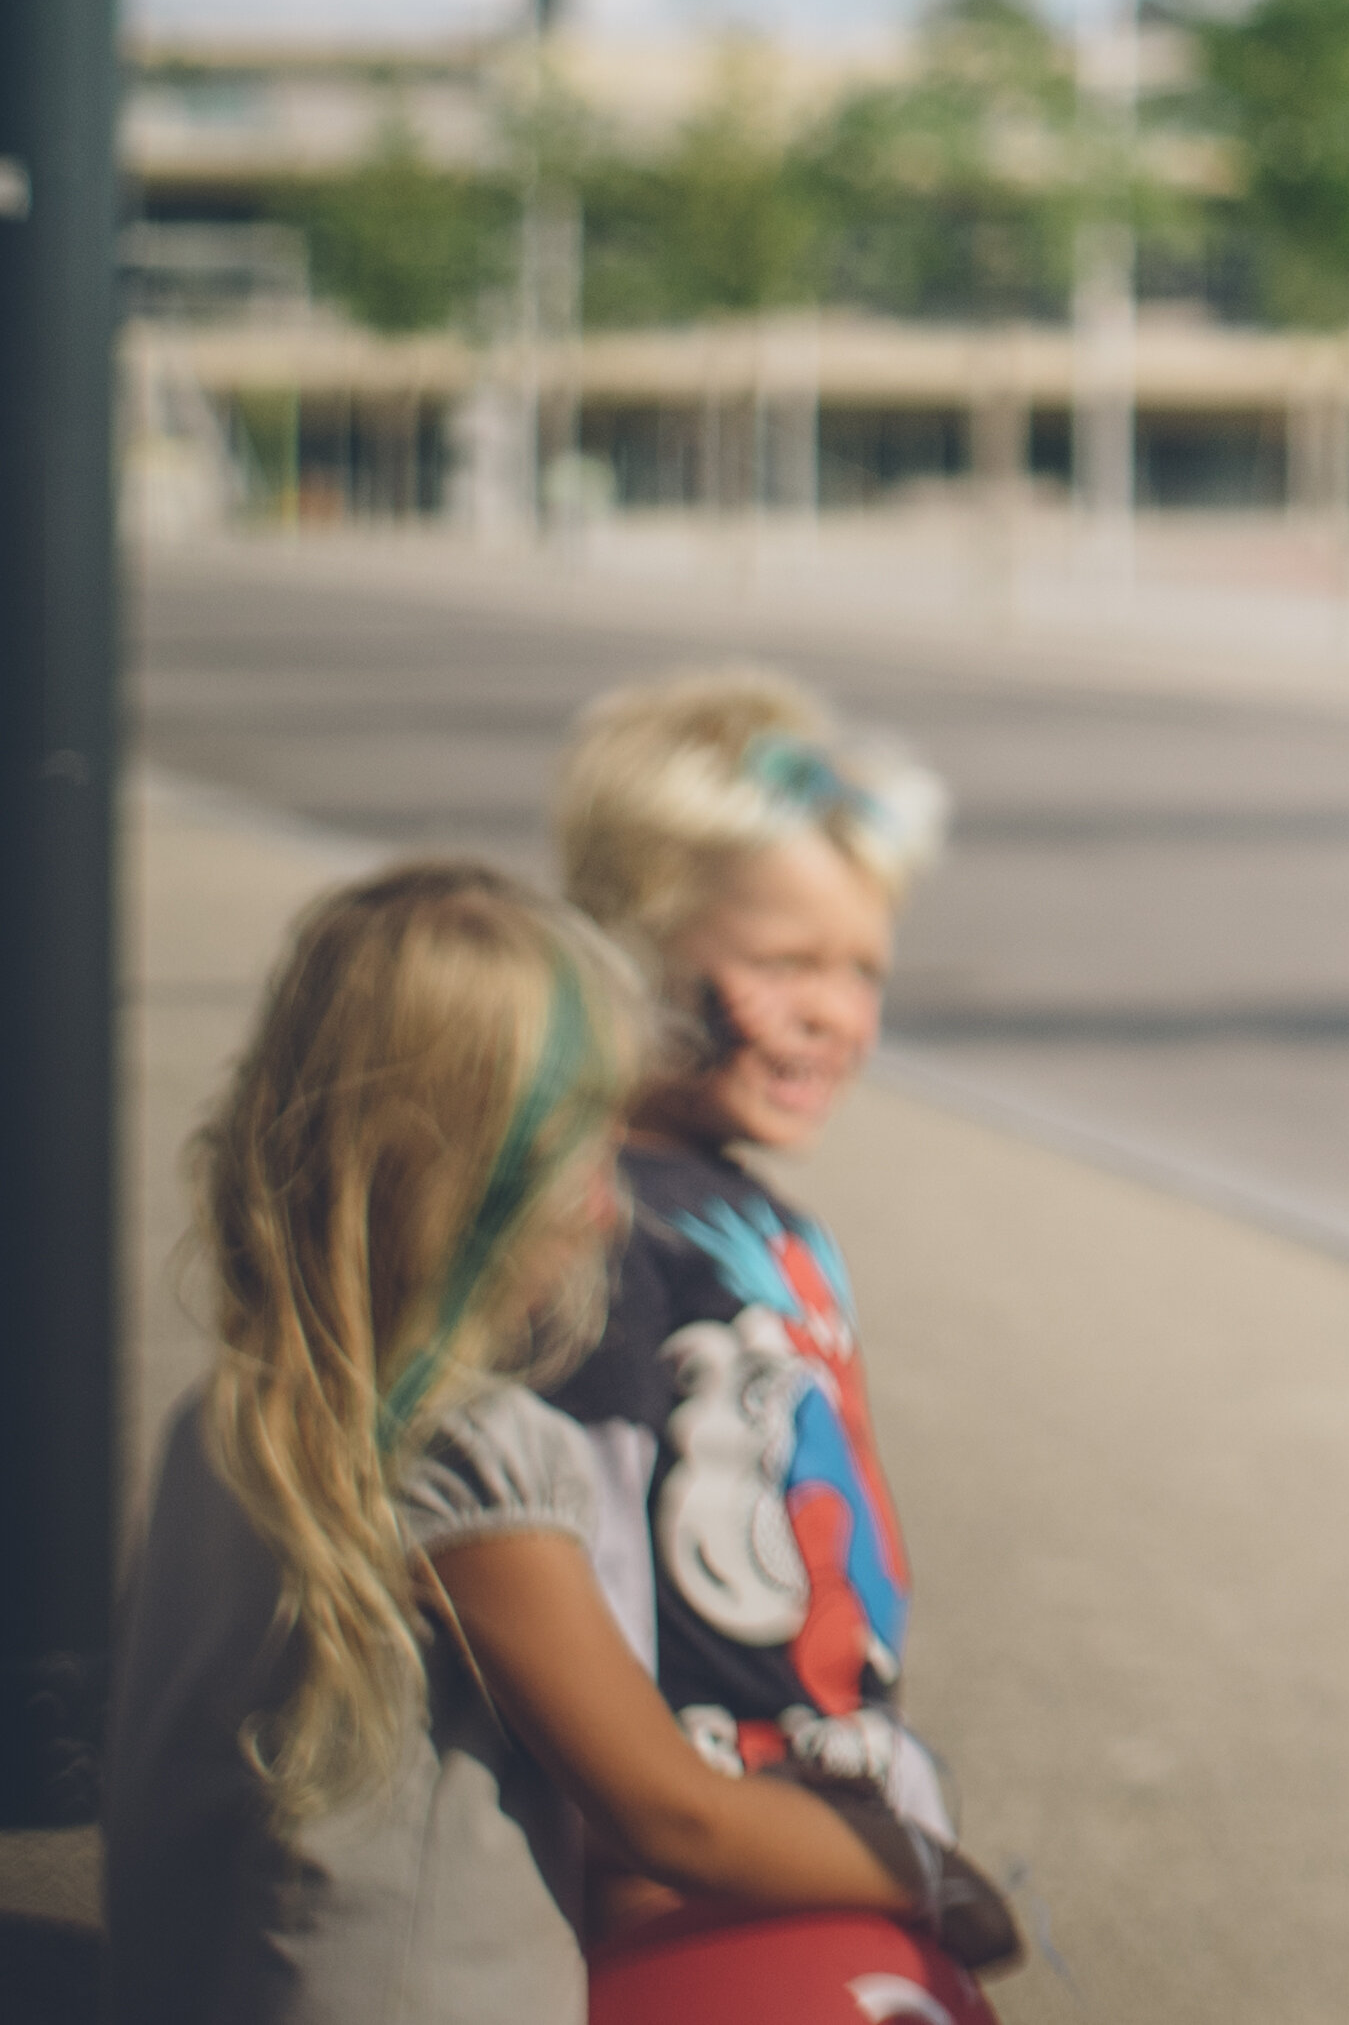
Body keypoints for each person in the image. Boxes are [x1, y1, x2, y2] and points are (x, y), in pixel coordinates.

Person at [105, 861, 1020, 2024]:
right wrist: (934, 1874)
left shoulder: (235, 1413)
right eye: (578, 1150)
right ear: (457, 1172)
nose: (603, 1206)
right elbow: (671, 1814)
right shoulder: (462, 1450)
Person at [540, 672, 956, 1880]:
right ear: (630, 949)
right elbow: (585, 1566)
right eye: (785, 963)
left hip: (825, 1797)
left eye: (862, 971)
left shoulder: (753, 1212)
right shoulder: (597, 1231)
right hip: (701, 1855)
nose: (833, 1014)